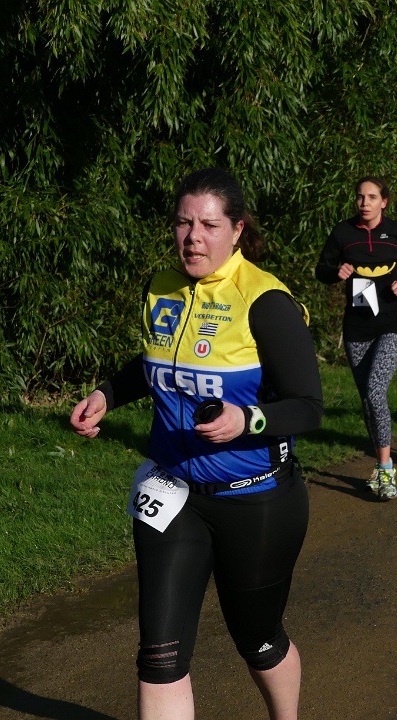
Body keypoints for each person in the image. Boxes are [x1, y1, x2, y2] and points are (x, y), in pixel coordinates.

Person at [70, 168, 323, 720]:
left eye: (208, 225)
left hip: (256, 499)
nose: (193, 237)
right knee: (159, 656)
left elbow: (308, 405)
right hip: (173, 493)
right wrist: (108, 393)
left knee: (257, 640)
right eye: (184, 223)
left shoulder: (265, 301)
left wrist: (247, 420)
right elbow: (157, 361)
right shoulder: (161, 287)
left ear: (237, 230)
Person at [315, 176, 397, 500]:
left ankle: (386, 468)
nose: (365, 203)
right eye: (360, 197)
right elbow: (321, 269)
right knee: (368, 399)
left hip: (392, 323)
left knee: (376, 390)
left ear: (384, 202)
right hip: (357, 327)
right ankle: (379, 464)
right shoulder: (343, 232)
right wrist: (335, 273)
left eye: (372, 197)